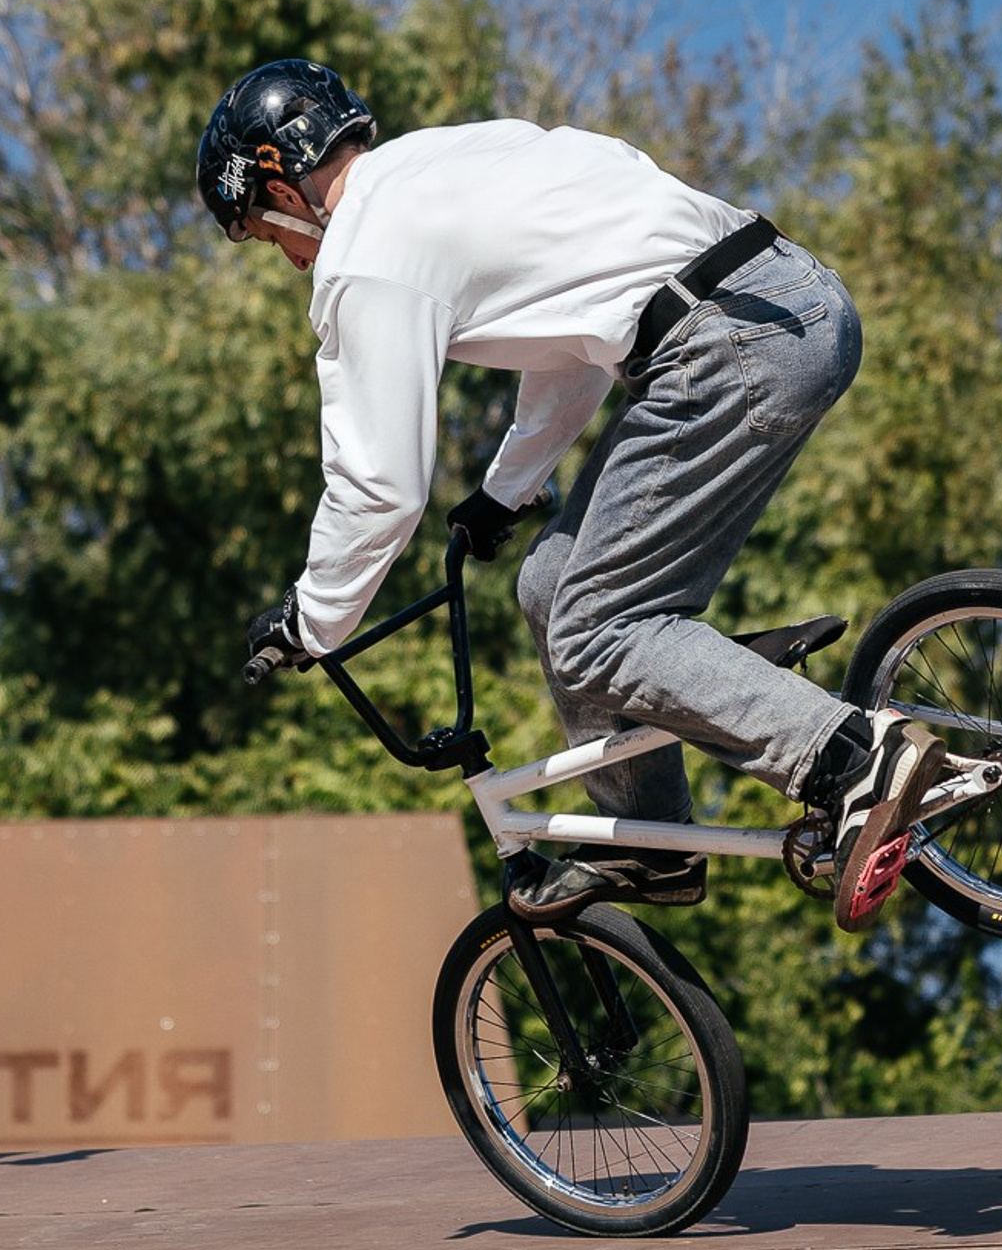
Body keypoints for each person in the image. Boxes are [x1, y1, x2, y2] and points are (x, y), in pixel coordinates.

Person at [196, 58, 943, 935]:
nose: (285, 259)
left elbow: (379, 488)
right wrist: (505, 492)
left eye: (259, 229)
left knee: (597, 631)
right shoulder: (453, 161)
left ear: (279, 179)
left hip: (724, 347)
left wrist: (312, 622)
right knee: (553, 590)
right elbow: (574, 344)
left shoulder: (364, 254)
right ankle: (649, 839)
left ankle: (852, 758)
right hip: (779, 302)